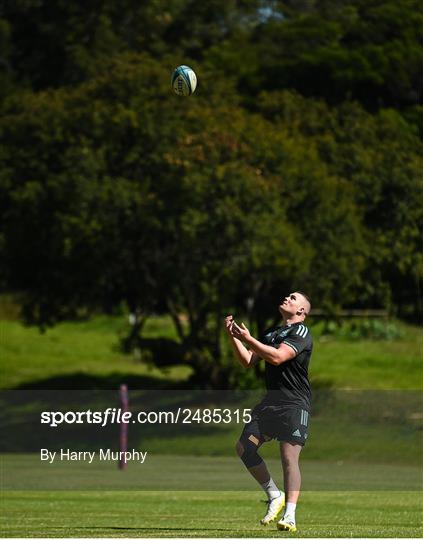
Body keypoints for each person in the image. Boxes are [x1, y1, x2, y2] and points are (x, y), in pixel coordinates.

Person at [224, 291, 313, 532]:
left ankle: (290, 516)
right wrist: (234, 337)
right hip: (270, 404)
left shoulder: (301, 332)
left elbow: (277, 357)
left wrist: (249, 338)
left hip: (294, 403)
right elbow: (247, 361)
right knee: (244, 446)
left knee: (288, 458)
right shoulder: (272, 333)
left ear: (301, 311)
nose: (287, 298)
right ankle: (274, 495)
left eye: (293, 298)